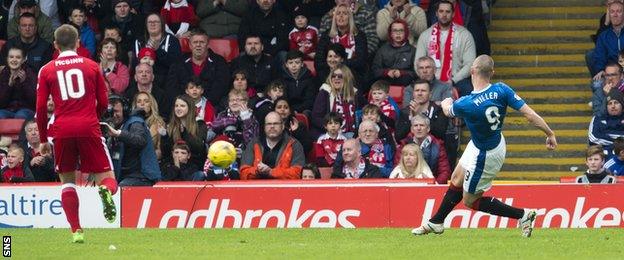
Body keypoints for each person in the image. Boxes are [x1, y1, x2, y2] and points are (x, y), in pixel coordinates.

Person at [412, 54, 557, 238]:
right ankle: (436, 222)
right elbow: (529, 115)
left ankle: (523, 215)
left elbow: (448, 110)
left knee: (470, 201)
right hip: (490, 141)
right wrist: (549, 133)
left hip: (485, 155)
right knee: (456, 178)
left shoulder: (467, 103)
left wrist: (447, 102)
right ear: (492, 72)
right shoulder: (502, 89)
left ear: (472, 71)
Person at [35, 24, 118, 243]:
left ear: (55, 45)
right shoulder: (92, 66)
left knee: (68, 182)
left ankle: (76, 231)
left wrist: (43, 139)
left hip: (61, 130)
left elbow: (41, 108)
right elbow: (104, 101)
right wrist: (94, 115)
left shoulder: (46, 70)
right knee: (108, 179)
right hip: (88, 126)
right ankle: (105, 191)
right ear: (78, 42)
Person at [415, 0, 476, 97]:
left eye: (447, 12)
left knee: (469, 89)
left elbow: (470, 64)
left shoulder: (465, 35)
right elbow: (417, 62)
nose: (444, 14)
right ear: (436, 13)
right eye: (441, 11)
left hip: (456, 80)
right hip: (430, 79)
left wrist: (453, 80)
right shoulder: (425, 35)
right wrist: (428, 76)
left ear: (453, 14)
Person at [101, 96, 162, 186]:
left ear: (125, 110)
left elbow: (140, 140)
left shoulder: (136, 122)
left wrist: (118, 134)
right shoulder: (113, 125)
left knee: (120, 190)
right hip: (123, 176)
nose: (113, 116)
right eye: (110, 112)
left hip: (142, 176)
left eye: (116, 111)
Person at [165, 29, 230, 109]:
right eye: (195, 42)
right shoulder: (178, 63)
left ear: (208, 44)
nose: (198, 45)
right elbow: (171, 88)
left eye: (202, 42)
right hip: (183, 107)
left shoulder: (219, 62)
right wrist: (184, 104)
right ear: (190, 45)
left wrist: (203, 104)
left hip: (211, 107)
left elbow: (221, 87)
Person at [240, 112, 305, 180]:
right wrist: (257, 171)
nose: (272, 126)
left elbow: (298, 173)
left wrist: (271, 172)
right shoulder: (253, 143)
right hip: (257, 188)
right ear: (264, 127)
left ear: (282, 126)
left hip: (283, 189)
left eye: (276, 123)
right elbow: (243, 173)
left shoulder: (294, 144)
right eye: (269, 124)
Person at [315, 4, 368, 84]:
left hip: (352, 77)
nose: (341, 16)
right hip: (329, 76)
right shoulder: (326, 35)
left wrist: (339, 64)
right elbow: (318, 62)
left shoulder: (359, 36)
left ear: (350, 17)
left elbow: (361, 61)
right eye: (338, 13)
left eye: (345, 13)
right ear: (334, 17)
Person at [397, 114, 450, 184]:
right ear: (411, 129)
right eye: (416, 125)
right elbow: (398, 167)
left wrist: (434, 184)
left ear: (428, 129)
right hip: (407, 185)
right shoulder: (404, 144)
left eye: (422, 125)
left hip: (431, 186)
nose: (419, 128)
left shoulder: (438, 145)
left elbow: (444, 171)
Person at [311, 64, 361, 138]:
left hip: (354, 134)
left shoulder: (355, 93)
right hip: (331, 134)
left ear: (347, 78)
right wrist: (331, 128)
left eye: (340, 76)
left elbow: (363, 113)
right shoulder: (325, 92)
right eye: (333, 76)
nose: (336, 78)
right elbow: (316, 118)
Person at [161, 95, 208, 168]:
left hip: (194, 167)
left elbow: (198, 148)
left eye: (182, 106)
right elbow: (166, 153)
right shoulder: (171, 126)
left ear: (190, 108)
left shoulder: (199, 124)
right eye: (176, 106)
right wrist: (164, 136)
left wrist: (185, 131)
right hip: (173, 167)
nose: (178, 108)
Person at [133, 13, 182, 80]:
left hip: (166, 80)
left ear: (162, 24)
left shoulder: (172, 40)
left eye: (156, 21)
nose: (152, 24)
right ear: (146, 25)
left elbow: (175, 64)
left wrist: (158, 50)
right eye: (150, 22)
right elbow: (135, 64)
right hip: (143, 79)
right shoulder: (139, 41)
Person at [372, 19, 416, 86]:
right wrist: (386, 72)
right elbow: (375, 70)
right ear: (391, 33)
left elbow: (417, 72)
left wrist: (402, 73)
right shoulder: (382, 50)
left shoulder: (413, 51)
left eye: (401, 30)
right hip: (385, 85)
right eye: (395, 30)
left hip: (406, 85)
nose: (398, 33)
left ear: (406, 33)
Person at [0, 46, 37, 120]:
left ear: (24, 59)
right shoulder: (3, 74)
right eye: (11, 57)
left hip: (26, 109)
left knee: (21, 115)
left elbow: (34, 101)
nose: (14, 60)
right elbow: (1, 103)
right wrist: (9, 86)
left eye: (18, 57)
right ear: (7, 59)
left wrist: (24, 83)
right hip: (7, 109)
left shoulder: (30, 73)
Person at [591, 1, 624, 81]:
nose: (615, 15)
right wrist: (601, 70)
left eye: (619, 11)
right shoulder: (603, 36)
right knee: (597, 84)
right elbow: (599, 56)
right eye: (612, 12)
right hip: (610, 74)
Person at [131, 91, 167, 160]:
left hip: (151, 160)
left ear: (151, 104)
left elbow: (160, 149)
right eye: (139, 101)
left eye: (146, 101)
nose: (142, 104)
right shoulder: (130, 121)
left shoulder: (158, 122)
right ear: (135, 105)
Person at [589, 89, 624, 155]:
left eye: (616, 103)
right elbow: (593, 138)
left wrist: (606, 135)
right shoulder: (597, 119)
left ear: (622, 105)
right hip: (603, 155)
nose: (613, 106)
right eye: (610, 103)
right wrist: (618, 143)